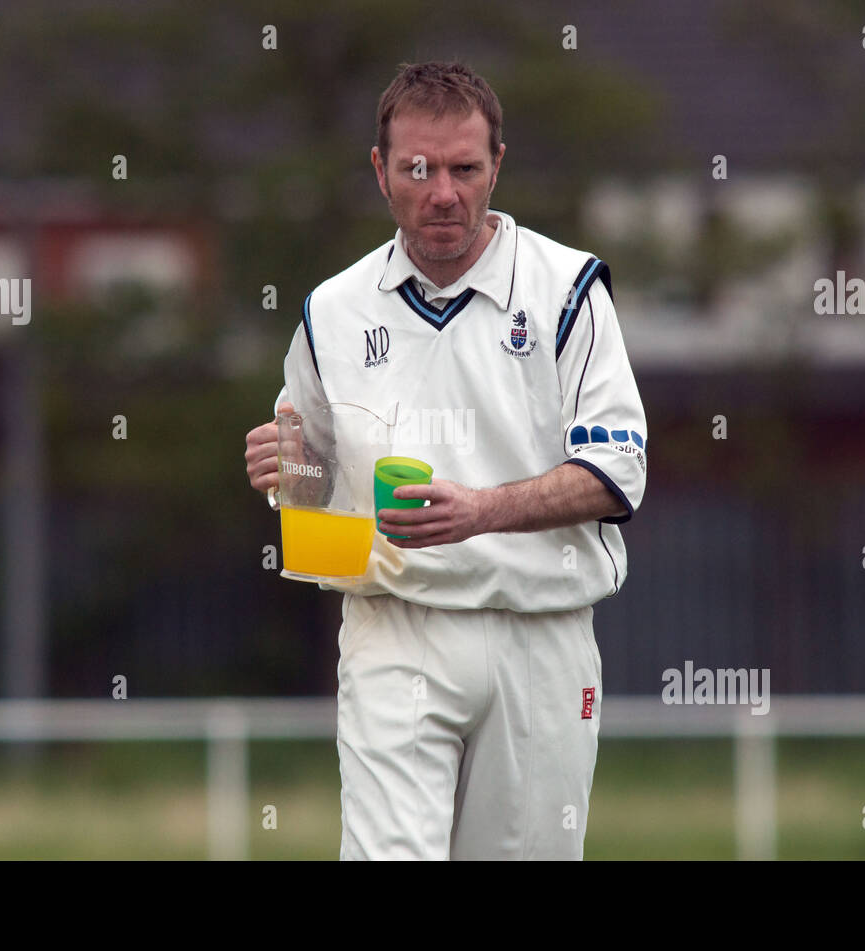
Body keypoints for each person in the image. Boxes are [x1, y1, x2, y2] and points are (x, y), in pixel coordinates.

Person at [243, 61, 648, 860]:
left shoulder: (567, 290)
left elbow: (616, 473)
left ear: (497, 163)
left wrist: (481, 511)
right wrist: (288, 467)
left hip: (540, 631)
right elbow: (316, 487)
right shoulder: (333, 309)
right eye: (418, 169)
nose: (443, 193)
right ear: (380, 170)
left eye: (465, 169)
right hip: (394, 626)